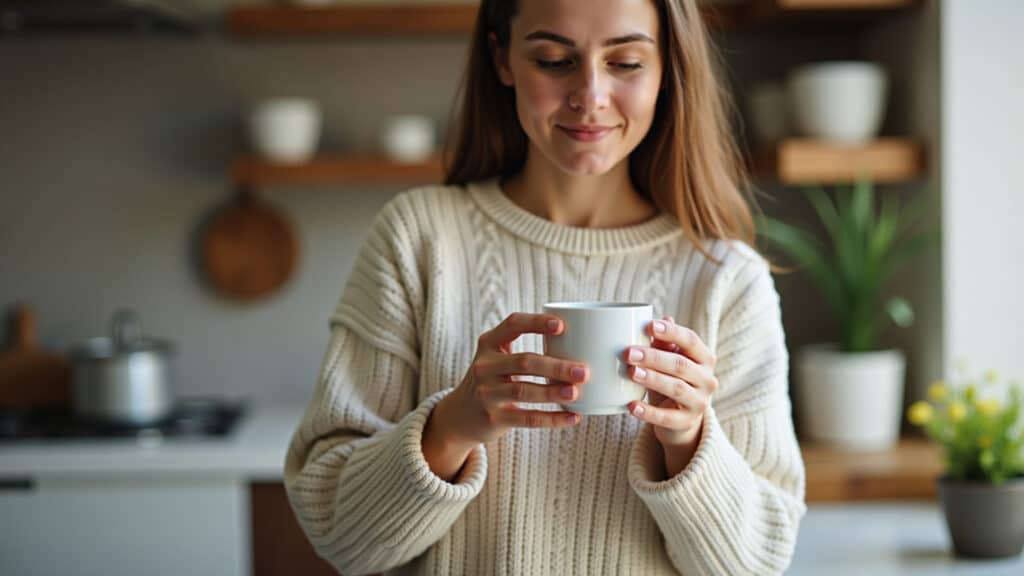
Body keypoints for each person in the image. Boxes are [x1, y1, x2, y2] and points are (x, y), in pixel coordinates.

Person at [284, 0, 806, 574]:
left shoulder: (728, 279)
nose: (590, 95)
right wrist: (450, 429)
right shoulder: (419, 238)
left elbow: (758, 562)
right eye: (554, 60)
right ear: (501, 58)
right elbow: (336, 531)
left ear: (668, 70)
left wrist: (687, 441)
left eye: (626, 62)